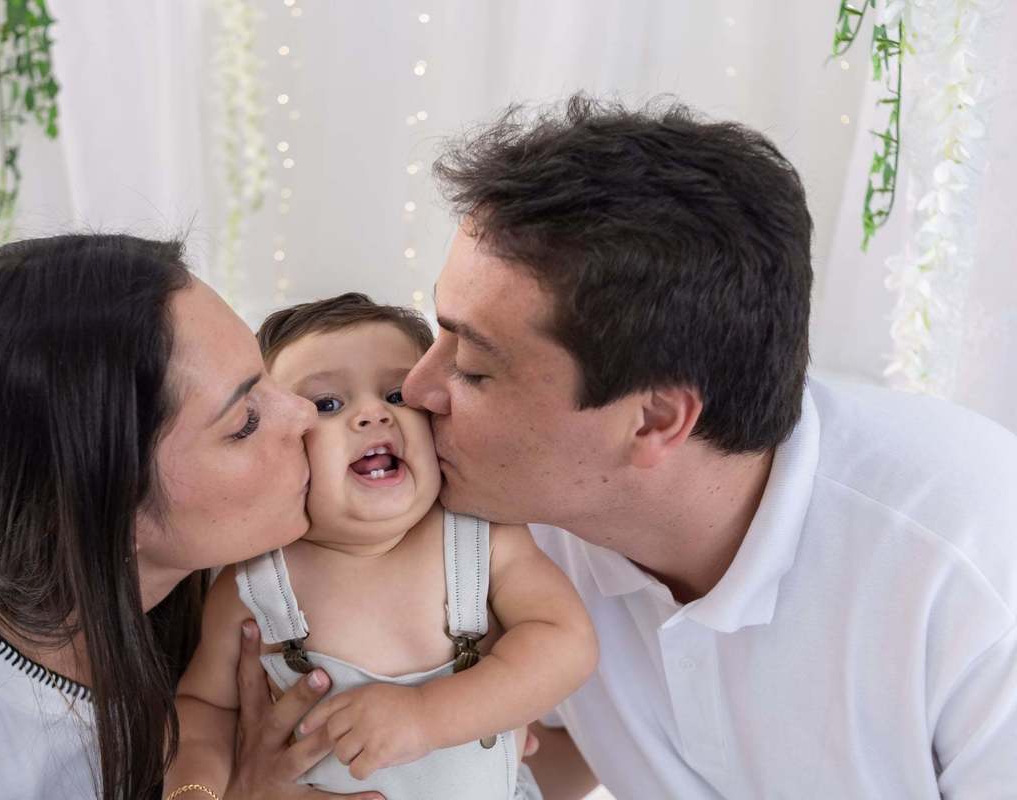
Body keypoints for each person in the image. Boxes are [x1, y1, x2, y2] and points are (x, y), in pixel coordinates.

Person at [400, 95, 1017, 798]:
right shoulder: (518, 520)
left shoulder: (975, 567)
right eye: (436, 332)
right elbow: (554, 749)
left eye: (474, 369)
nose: (417, 389)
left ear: (655, 421)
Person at [0, 235, 383, 800]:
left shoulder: (257, 575)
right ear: (108, 507)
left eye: (265, 376)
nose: (304, 414)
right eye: (244, 422)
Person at [164, 293, 597, 800]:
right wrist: (197, 791)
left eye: (396, 396)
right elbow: (204, 708)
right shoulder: (257, 585)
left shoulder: (479, 539)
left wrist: (429, 716)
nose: (372, 414)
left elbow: (566, 644)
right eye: (327, 404)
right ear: (280, 440)